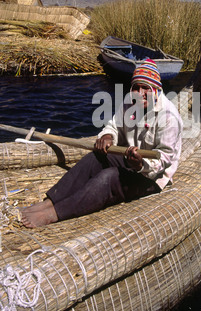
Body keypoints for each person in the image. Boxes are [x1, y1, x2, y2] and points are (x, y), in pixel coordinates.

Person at [20, 59, 183, 228]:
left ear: (156, 90)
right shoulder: (130, 101)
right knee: (95, 158)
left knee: (110, 178)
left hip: (152, 176)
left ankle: (54, 213)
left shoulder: (169, 118)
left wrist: (141, 164)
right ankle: (50, 201)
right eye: (136, 87)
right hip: (130, 157)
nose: (139, 93)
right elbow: (113, 125)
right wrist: (107, 136)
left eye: (146, 88)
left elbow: (164, 159)